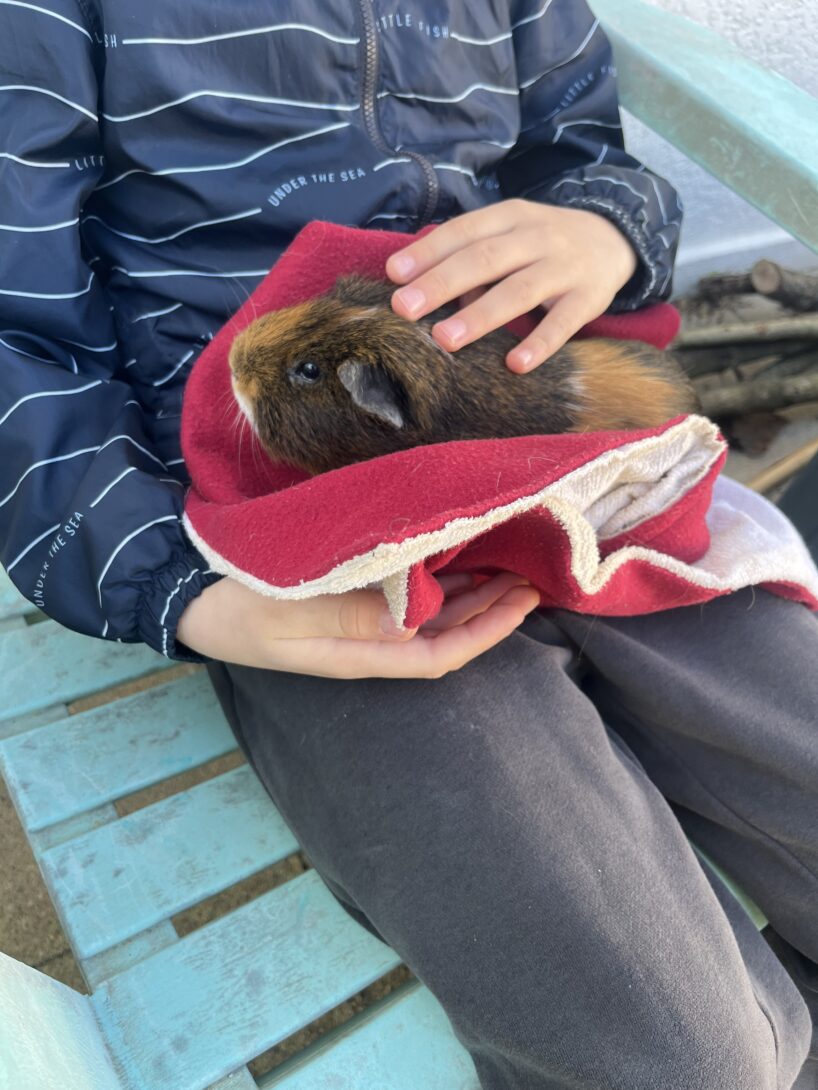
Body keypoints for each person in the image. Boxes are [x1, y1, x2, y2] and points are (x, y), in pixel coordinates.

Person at [1, 2, 815, 1086]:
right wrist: (173, 578)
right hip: (296, 540)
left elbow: (577, 153)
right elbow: (16, 329)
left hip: (567, 464)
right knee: (678, 1057)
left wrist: (603, 230)